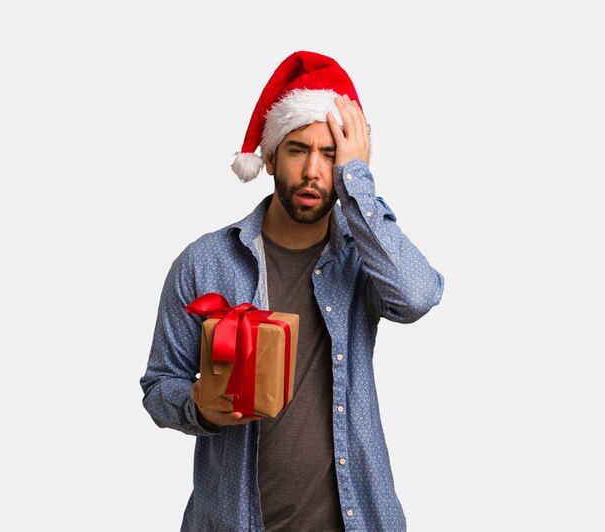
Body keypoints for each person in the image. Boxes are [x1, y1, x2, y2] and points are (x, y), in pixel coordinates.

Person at [140, 50, 444, 532]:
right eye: (299, 150)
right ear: (270, 156)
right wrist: (202, 404)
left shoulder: (363, 257)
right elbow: (159, 385)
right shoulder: (205, 262)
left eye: (331, 156)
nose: (312, 172)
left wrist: (358, 183)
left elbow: (419, 295)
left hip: (355, 519)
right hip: (235, 519)